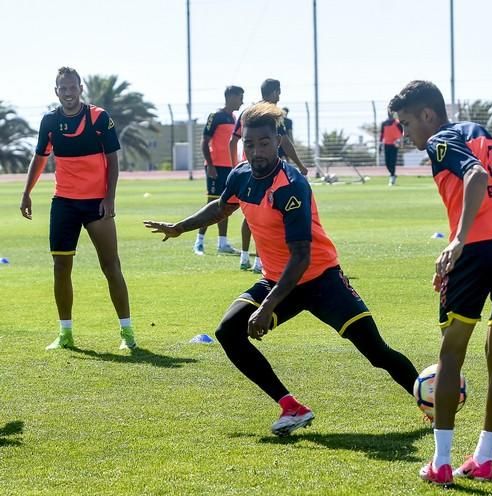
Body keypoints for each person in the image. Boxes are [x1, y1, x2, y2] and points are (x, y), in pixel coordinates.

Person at [144, 102, 418, 436]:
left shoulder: (291, 185)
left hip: (321, 280)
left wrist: (268, 307)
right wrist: (179, 228)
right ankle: (291, 407)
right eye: (249, 143)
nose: (256, 151)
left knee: (377, 352)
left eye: (263, 143)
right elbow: (220, 208)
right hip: (276, 279)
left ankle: (429, 398)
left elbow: (301, 257)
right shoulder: (241, 175)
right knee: (228, 331)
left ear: (278, 141)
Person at [389, 81, 492, 485]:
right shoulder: (477, 131)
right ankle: (484, 459)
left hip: (480, 247)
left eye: (406, 123)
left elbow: (475, 178)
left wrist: (458, 241)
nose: (405, 134)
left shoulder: (440, 139)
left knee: (451, 353)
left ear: (427, 115)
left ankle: (440, 464)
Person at [19, 66, 138, 351]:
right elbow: (39, 159)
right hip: (64, 203)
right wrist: (26, 193)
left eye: (73, 87)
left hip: (96, 203)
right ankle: (65, 333)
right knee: (61, 267)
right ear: (56, 91)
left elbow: (113, 160)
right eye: (63, 88)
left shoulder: (98, 117)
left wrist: (109, 198)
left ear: (80, 88)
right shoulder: (49, 121)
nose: (68, 93)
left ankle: (127, 333)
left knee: (111, 266)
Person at [230, 79, 309, 273]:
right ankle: (259, 261)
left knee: (250, 213)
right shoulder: (271, 115)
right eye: (279, 92)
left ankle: (245, 257)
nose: (280, 96)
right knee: (264, 214)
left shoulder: (248, 111)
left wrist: (236, 166)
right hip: (266, 168)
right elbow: (285, 143)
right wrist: (299, 165)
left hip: (248, 166)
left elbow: (234, 139)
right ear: (274, 92)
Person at [194, 85, 245, 256]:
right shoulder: (215, 116)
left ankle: (222, 243)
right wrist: (211, 165)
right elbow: (204, 141)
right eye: (240, 97)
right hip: (216, 167)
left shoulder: (234, 118)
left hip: (230, 167)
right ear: (231, 96)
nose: (242, 101)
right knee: (212, 204)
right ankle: (199, 242)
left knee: (226, 204)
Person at [380, 111, 404, 186]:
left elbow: (402, 133)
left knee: (392, 162)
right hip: (386, 144)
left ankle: (392, 177)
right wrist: (380, 145)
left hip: (394, 144)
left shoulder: (397, 123)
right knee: (387, 162)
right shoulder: (384, 123)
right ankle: (392, 174)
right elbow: (382, 134)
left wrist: (400, 143)